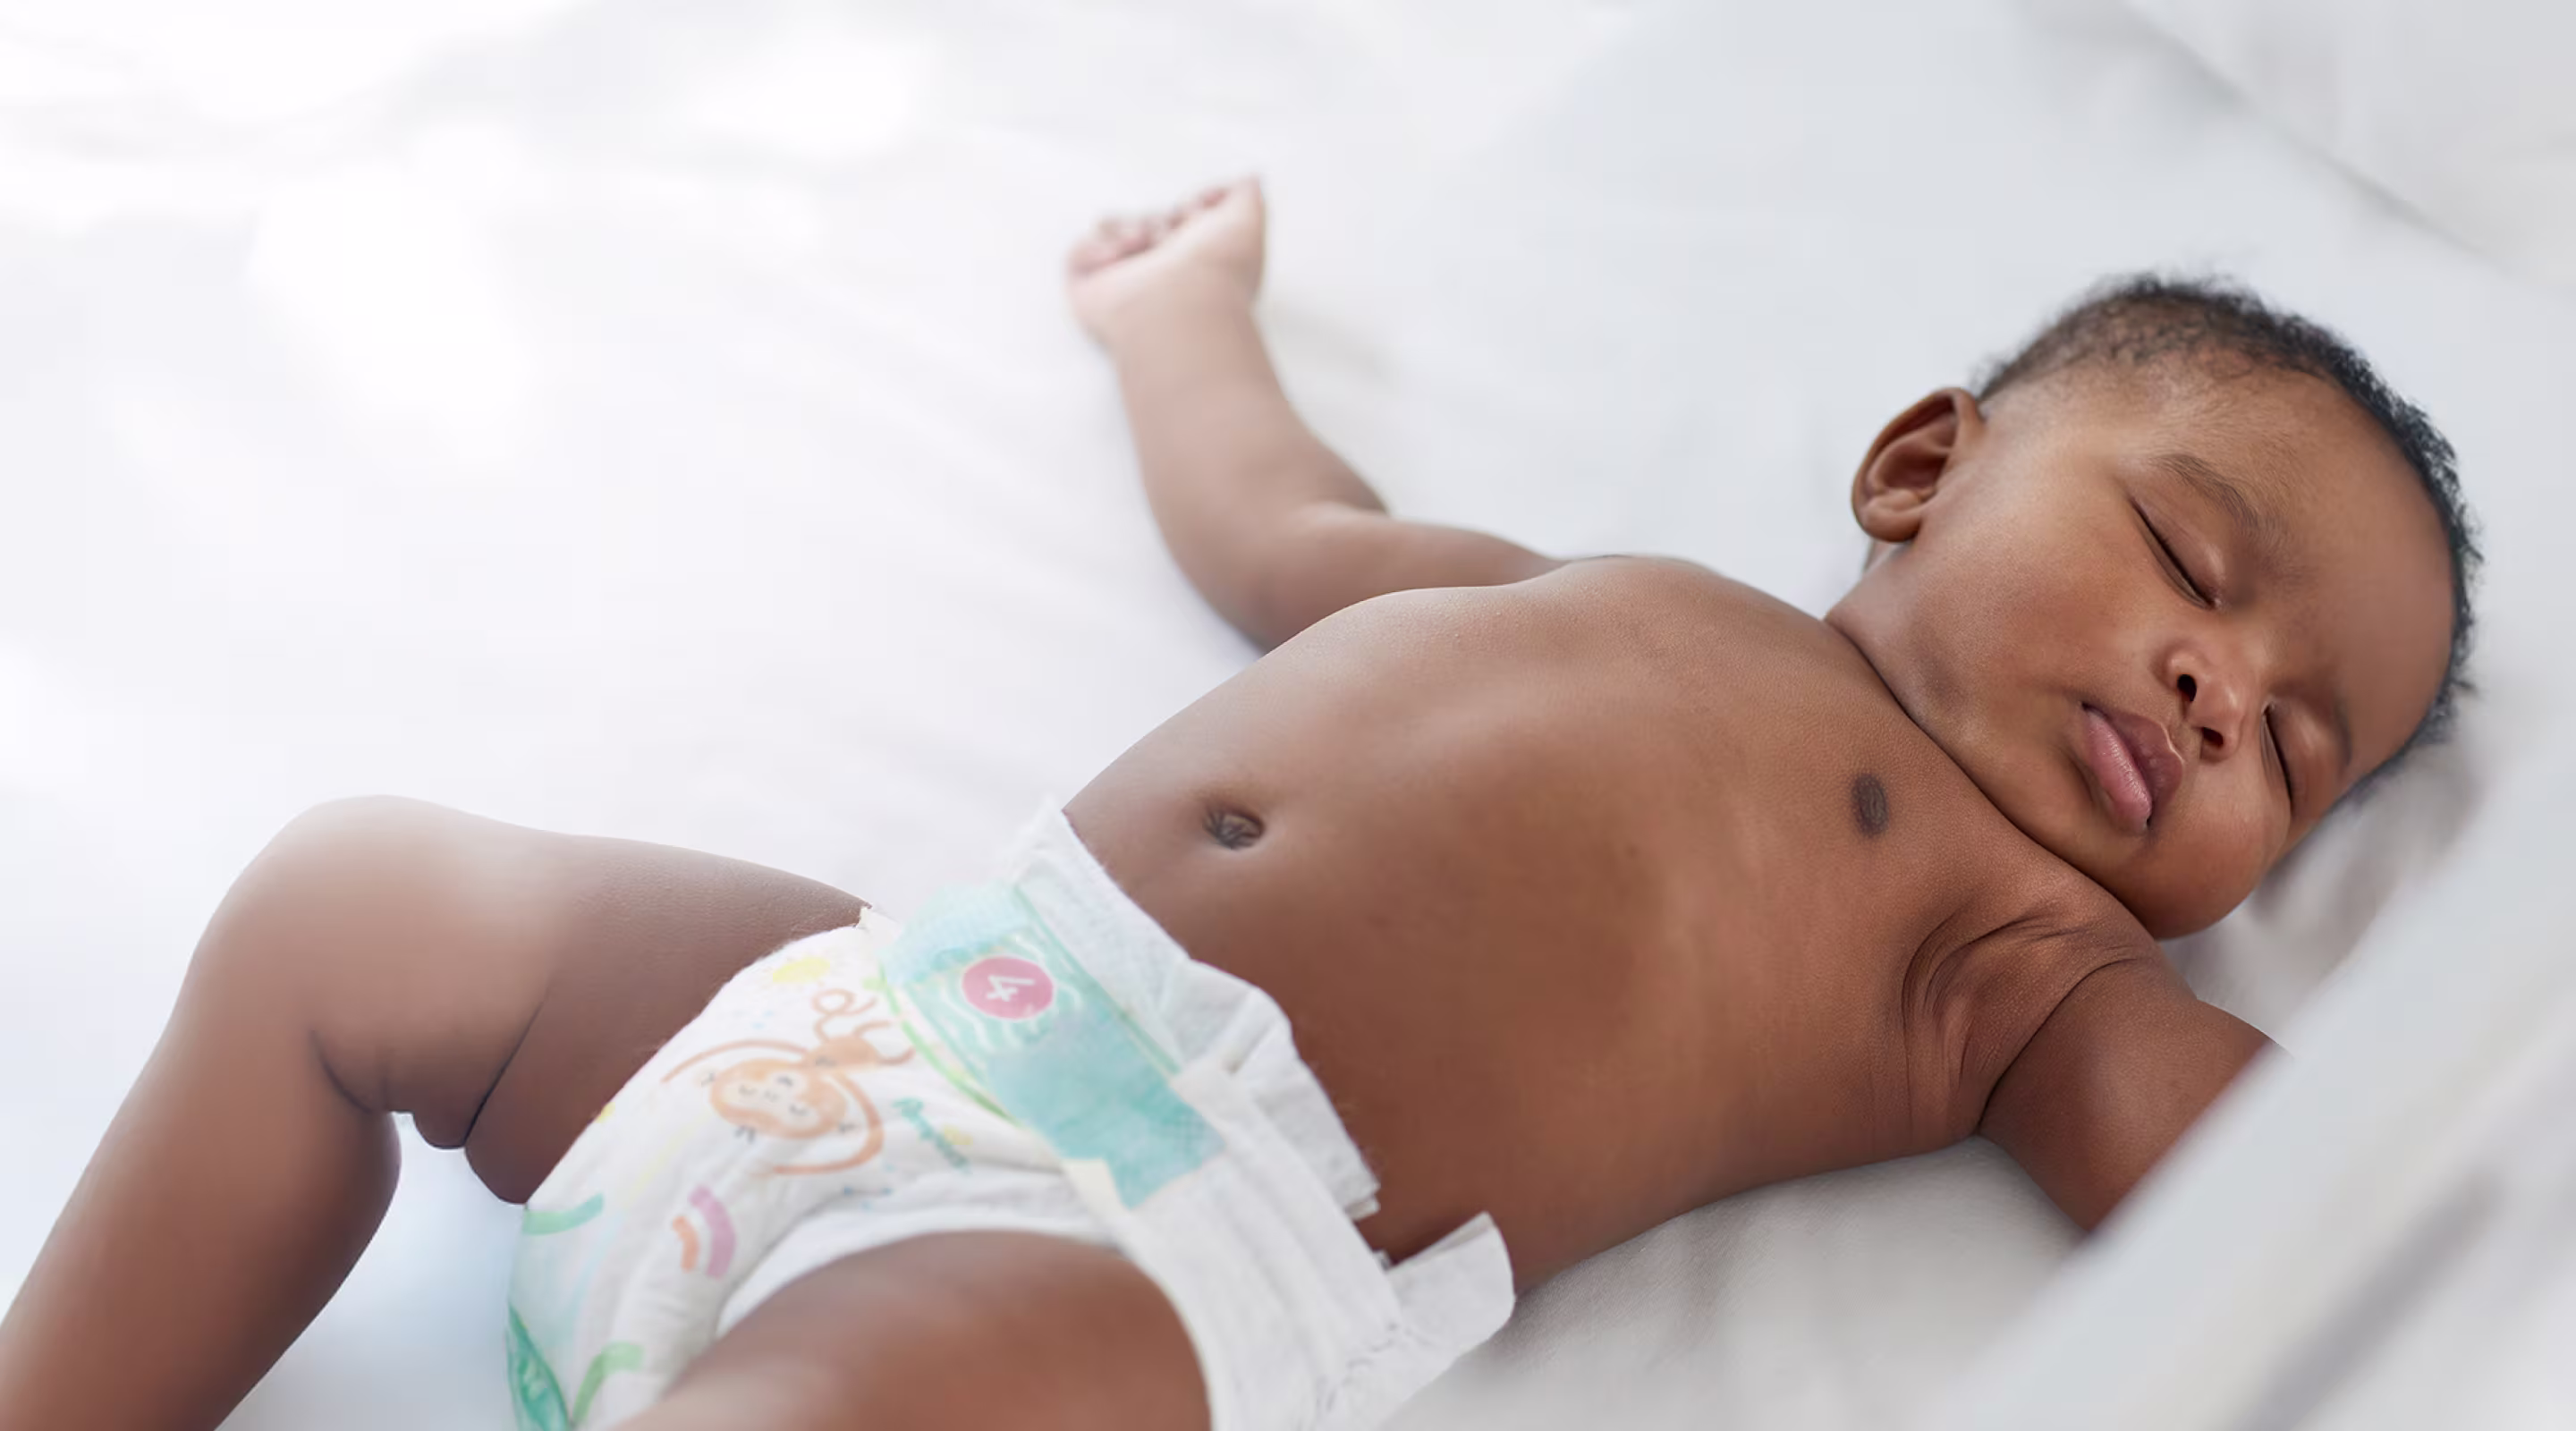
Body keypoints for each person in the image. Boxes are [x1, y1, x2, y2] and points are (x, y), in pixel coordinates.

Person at [0, 179, 2477, 1431]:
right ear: (1922, 463)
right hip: (898, 990)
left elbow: (2299, 1166)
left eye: (2297, 746)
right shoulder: (1572, 588)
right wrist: (1186, 321)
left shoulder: (2017, 958)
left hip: (1174, 1251)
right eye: (2189, 560)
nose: (2212, 681)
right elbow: (1285, 534)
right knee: (358, 903)